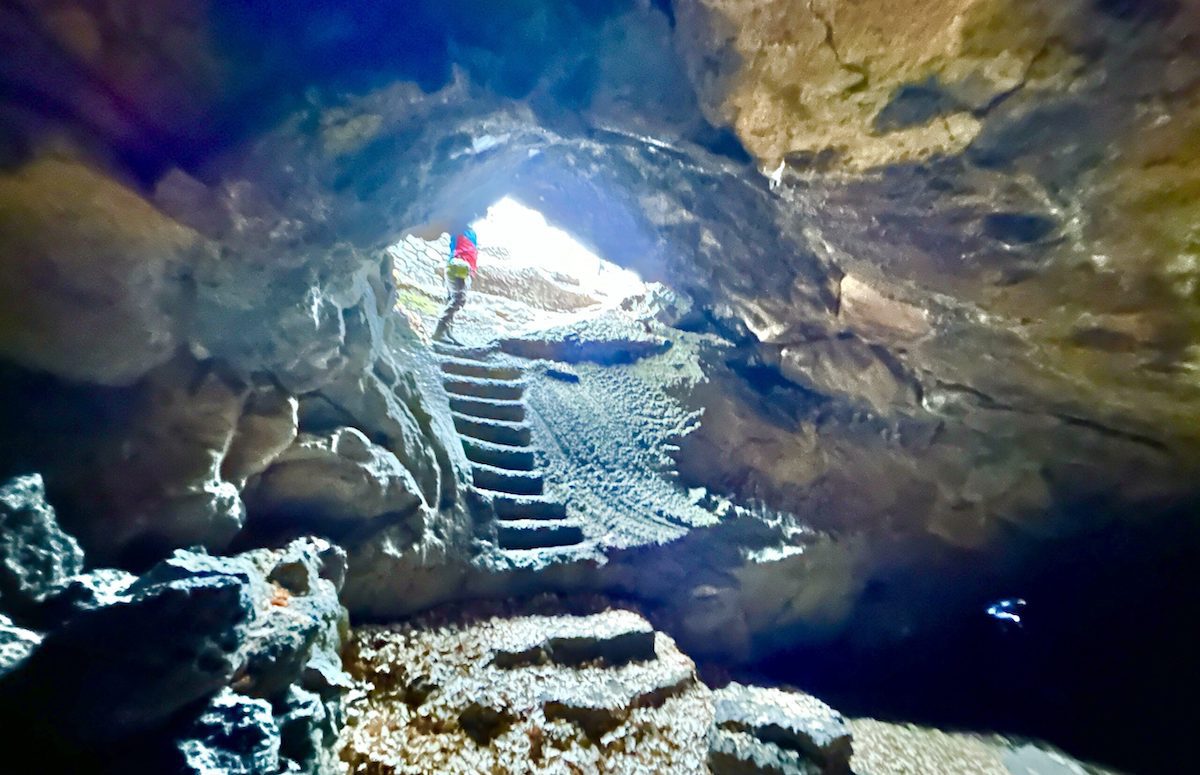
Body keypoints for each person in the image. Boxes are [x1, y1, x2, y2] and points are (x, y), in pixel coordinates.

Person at [432, 226, 479, 343]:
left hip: (463, 268)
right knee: (458, 299)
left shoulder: (472, 234)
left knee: (452, 299)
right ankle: (439, 330)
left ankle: (447, 333)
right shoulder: (459, 228)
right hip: (457, 265)